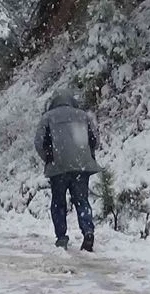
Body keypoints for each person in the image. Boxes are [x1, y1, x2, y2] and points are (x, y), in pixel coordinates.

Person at [34, 89, 103, 252]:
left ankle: (61, 237)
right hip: (81, 165)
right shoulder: (83, 116)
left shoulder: (47, 118)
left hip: (58, 167)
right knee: (82, 201)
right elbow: (95, 140)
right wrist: (86, 155)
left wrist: (49, 158)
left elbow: (39, 142)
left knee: (58, 203)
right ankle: (88, 231)